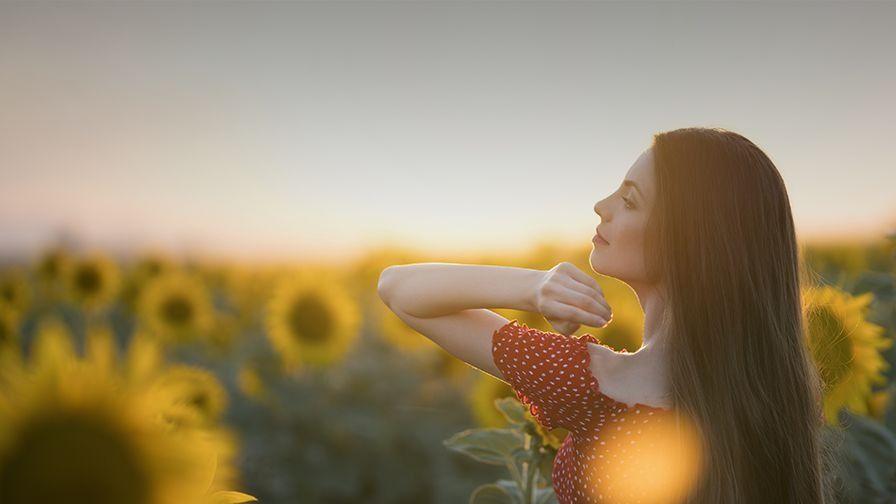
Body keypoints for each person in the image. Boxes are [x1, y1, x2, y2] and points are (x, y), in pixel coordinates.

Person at [378, 127, 835, 503]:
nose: (602, 206)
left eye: (630, 200)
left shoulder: (593, 385)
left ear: (687, 243)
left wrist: (533, 287)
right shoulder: (774, 400)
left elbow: (399, 288)